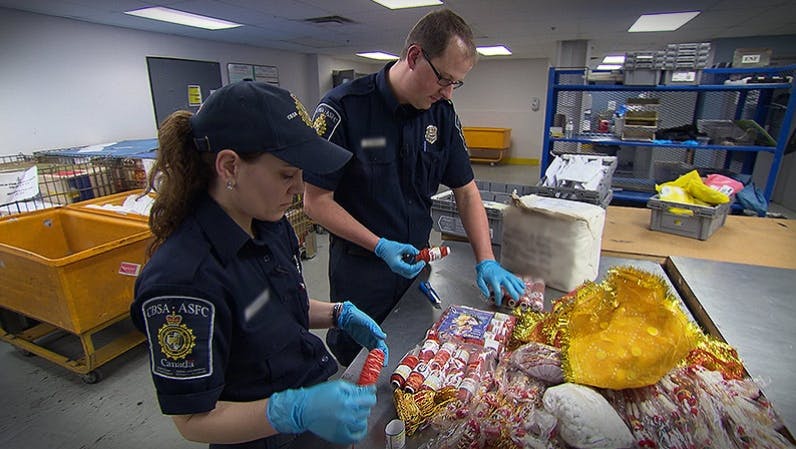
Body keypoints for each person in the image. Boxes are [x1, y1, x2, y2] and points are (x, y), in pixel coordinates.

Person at [130, 81, 388, 449]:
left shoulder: (268, 223)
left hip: (311, 407)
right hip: (260, 436)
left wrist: (337, 314)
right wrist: (293, 410)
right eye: (286, 175)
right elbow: (193, 421)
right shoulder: (182, 281)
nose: (299, 189)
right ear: (230, 166)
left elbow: (268, 307)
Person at [304, 8, 525, 366]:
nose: (448, 93)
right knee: (361, 365)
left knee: (414, 360)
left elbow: (466, 191)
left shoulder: (441, 113)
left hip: (417, 270)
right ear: (414, 56)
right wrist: (379, 246)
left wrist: (486, 260)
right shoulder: (343, 109)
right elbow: (315, 201)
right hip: (362, 275)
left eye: (456, 83)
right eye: (443, 79)